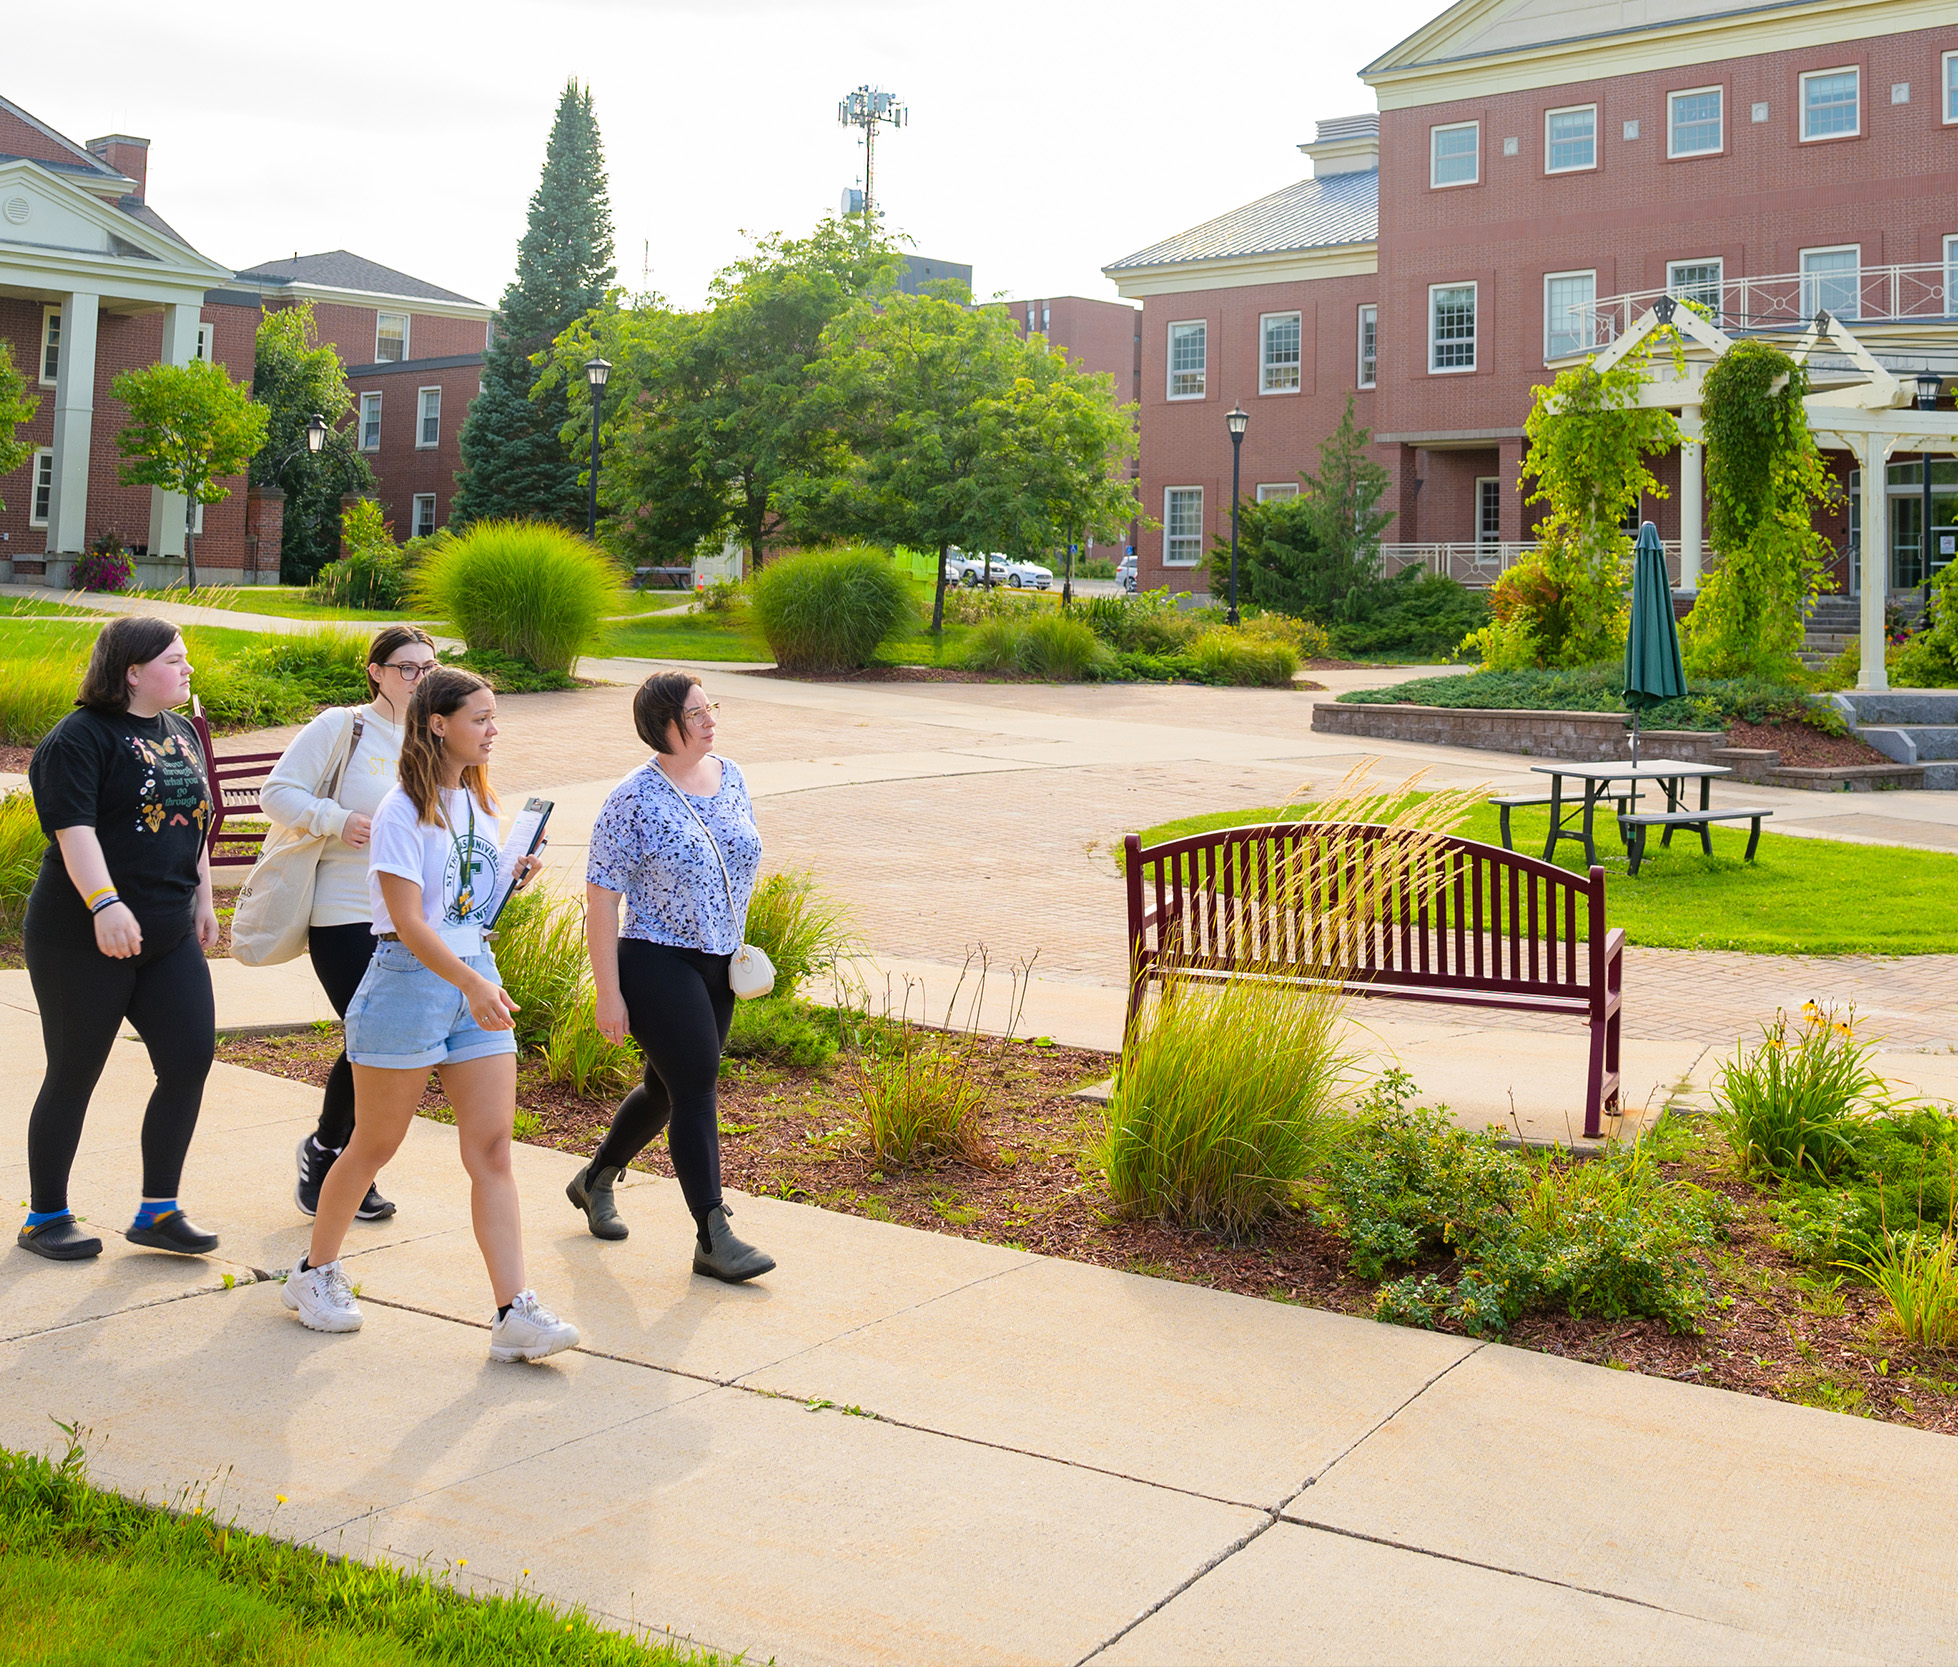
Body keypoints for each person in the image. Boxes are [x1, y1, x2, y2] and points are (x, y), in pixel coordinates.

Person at [280, 666, 576, 1361]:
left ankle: (514, 1312)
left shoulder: (477, 802)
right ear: (438, 723)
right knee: (374, 1144)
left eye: (495, 715)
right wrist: (471, 981)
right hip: (410, 982)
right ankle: (313, 1273)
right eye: (481, 717)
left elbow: (463, 907)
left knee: (494, 1148)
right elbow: (410, 923)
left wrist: (508, 877)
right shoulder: (400, 810)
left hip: (474, 976)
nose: (493, 728)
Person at [17, 617, 221, 1261]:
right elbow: (73, 831)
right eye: (175, 660)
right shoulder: (78, 738)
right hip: (81, 934)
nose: (188, 669)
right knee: (75, 1071)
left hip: (166, 931)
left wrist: (203, 900)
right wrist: (104, 903)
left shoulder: (182, 732)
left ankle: (158, 1211)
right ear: (132, 671)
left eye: (187, 659)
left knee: (189, 1058)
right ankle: (44, 1216)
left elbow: (194, 819)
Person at [566, 672, 774, 1283]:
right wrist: (608, 990)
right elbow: (601, 899)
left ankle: (594, 1179)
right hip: (655, 957)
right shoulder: (631, 799)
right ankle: (713, 1233)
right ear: (665, 724)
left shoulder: (730, 776)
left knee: (666, 1087)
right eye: (697, 711)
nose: (711, 718)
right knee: (697, 1085)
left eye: (712, 706)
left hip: (719, 960)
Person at [260, 625, 439, 1221]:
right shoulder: (343, 726)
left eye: (429, 669)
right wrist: (337, 820)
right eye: (408, 668)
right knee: (370, 1036)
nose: (419, 679)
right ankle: (333, 1154)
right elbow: (276, 792)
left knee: (380, 1040)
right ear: (377, 671)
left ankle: (335, 1154)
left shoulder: (435, 738)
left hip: (408, 915)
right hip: (343, 910)